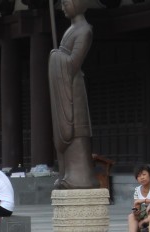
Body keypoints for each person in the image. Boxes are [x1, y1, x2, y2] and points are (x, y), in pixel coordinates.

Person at [48, 0, 95, 190]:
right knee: (66, 132)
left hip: (73, 88)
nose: (63, 6)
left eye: (66, 2)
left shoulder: (85, 30)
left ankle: (80, 177)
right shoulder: (71, 29)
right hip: (65, 86)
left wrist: (55, 56)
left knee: (75, 131)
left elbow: (74, 63)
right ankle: (66, 172)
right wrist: (57, 55)